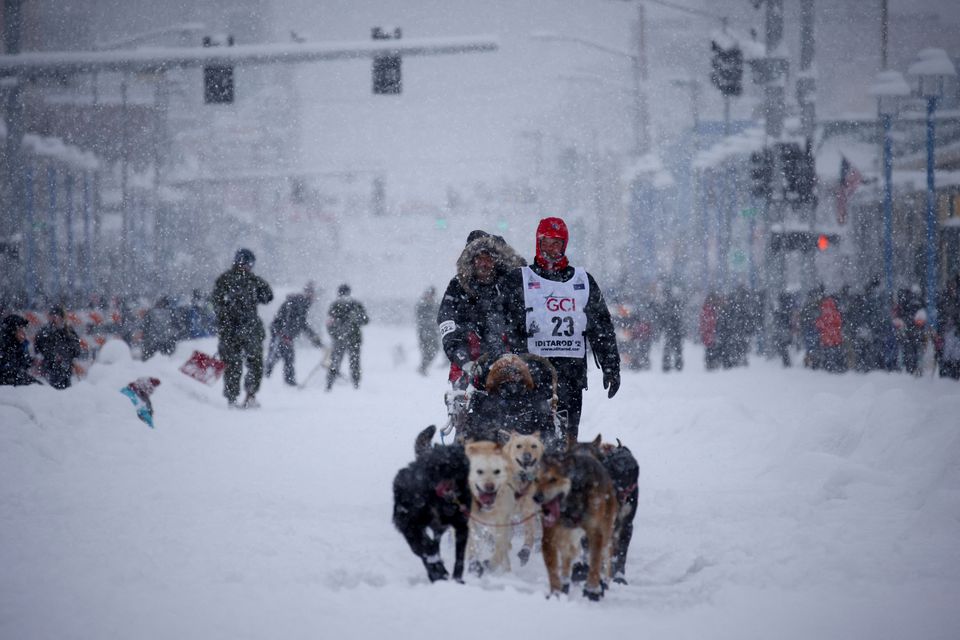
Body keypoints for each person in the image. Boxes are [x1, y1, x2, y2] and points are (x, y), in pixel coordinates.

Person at [500, 217, 620, 447]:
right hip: (531, 371)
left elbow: (601, 327)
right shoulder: (520, 279)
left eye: (558, 243)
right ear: (538, 243)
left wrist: (611, 366)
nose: (552, 249)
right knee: (531, 438)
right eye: (547, 243)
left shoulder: (583, 280)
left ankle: (562, 475)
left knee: (566, 439)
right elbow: (502, 322)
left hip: (571, 373)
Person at [437, 230, 526, 387]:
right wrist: (463, 360)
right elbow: (447, 320)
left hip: (510, 360)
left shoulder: (508, 286)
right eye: (479, 258)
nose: (484, 264)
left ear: (497, 261)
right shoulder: (457, 286)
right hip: (467, 360)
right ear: (471, 260)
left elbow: (522, 321)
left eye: (488, 258)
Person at [212, 248, 274, 408]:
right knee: (248, 364)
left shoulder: (225, 279)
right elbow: (268, 296)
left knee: (238, 364)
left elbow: (216, 303)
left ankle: (240, 397)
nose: (247, 266)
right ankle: (244, 396)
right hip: (243, 329)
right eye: (247, 263)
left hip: (235, 330)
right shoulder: (249, 280)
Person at [265, 282, 323, 386]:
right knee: (282, 356)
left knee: (282, 356)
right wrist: (285, 335)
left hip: (283, 334)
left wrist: (313, 337)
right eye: (312, 294)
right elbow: (287, 320)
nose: (314, 297)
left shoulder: (303, 303)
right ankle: (270, 378)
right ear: (308, 293)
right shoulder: (298, 303)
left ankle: (279, 378)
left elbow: (302, 323)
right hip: (281, 333)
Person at [325, 284, 369, 390]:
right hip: (351, 339)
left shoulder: (337, 305)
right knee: (351, 362)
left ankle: (330, 384)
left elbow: (329, 324)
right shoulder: (354, 304)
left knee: (337, 362)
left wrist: (335, 335)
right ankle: (354, 384)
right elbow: (365, 320)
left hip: (345, 339)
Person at [34, 305, 84, 389]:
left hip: (65, 367)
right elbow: (38, 348)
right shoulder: (44, 331)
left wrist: (64, 355)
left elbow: (76, 348)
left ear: (61, 317)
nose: (53, 319)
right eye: (52, 316)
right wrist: (53, 356)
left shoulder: (68, 331)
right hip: (49, 367)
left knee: (65, 389)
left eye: (56, 316)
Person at [1, 314, 40, 386]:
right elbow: (8, 370)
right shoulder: (4, 347)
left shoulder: (21, 345)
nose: (24, 333)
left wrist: (32, 362)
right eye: (21, 330)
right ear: (12, 331)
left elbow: (23, 363)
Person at [141, 295, 179, 361]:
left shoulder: (150, 313)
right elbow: (176, 327)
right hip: (166, 343)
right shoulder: (171, 313)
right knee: (165, 360)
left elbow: (145, 328)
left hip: (152, 342)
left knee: (150, 362)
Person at [414, 286, 440, 376]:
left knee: (435, 350)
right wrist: (431, 322)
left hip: (434, 332)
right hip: (424, 332)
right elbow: (420, 318)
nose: (430, 296)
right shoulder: (422, 305)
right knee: (426, 351)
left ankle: (423, 367)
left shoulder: (436, 304)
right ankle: (423, 368)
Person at [659, 285, 684, 372]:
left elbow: (663, 318)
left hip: (670, 329)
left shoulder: (667, 304)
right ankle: (677, 364)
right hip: (675, 329)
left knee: (669, 347)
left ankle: (668, 365)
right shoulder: (676, 303)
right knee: (676, 348)